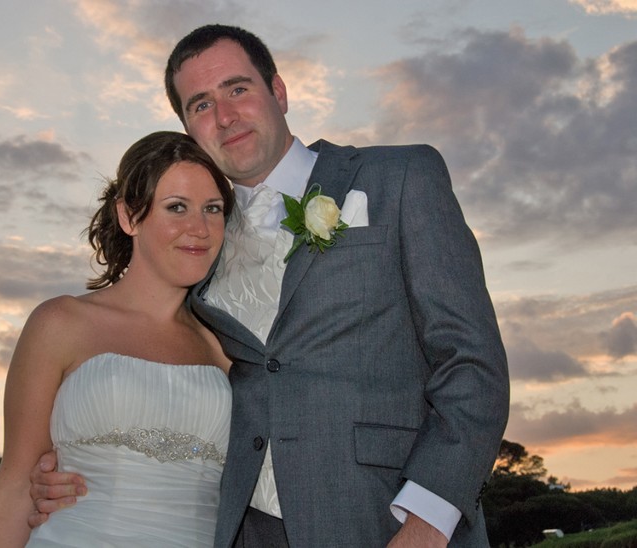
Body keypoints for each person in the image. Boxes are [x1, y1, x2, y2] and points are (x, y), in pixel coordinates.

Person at [30, 25, 510, 547]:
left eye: (237, 89)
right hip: (244, 531)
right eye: (201, 105)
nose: (225, 115)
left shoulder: (400, 176)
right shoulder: (199, 242)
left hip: (385, 519)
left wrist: (427, 521)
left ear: (278, 92)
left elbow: (471, 360)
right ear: (189, 128)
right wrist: (81, 461)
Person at [0, 131, 235, 547]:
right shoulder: (61, 323)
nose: (199, 228)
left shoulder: (227, 347)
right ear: (129, 216)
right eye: (176, 207)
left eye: (213, 209)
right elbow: (16, 481)